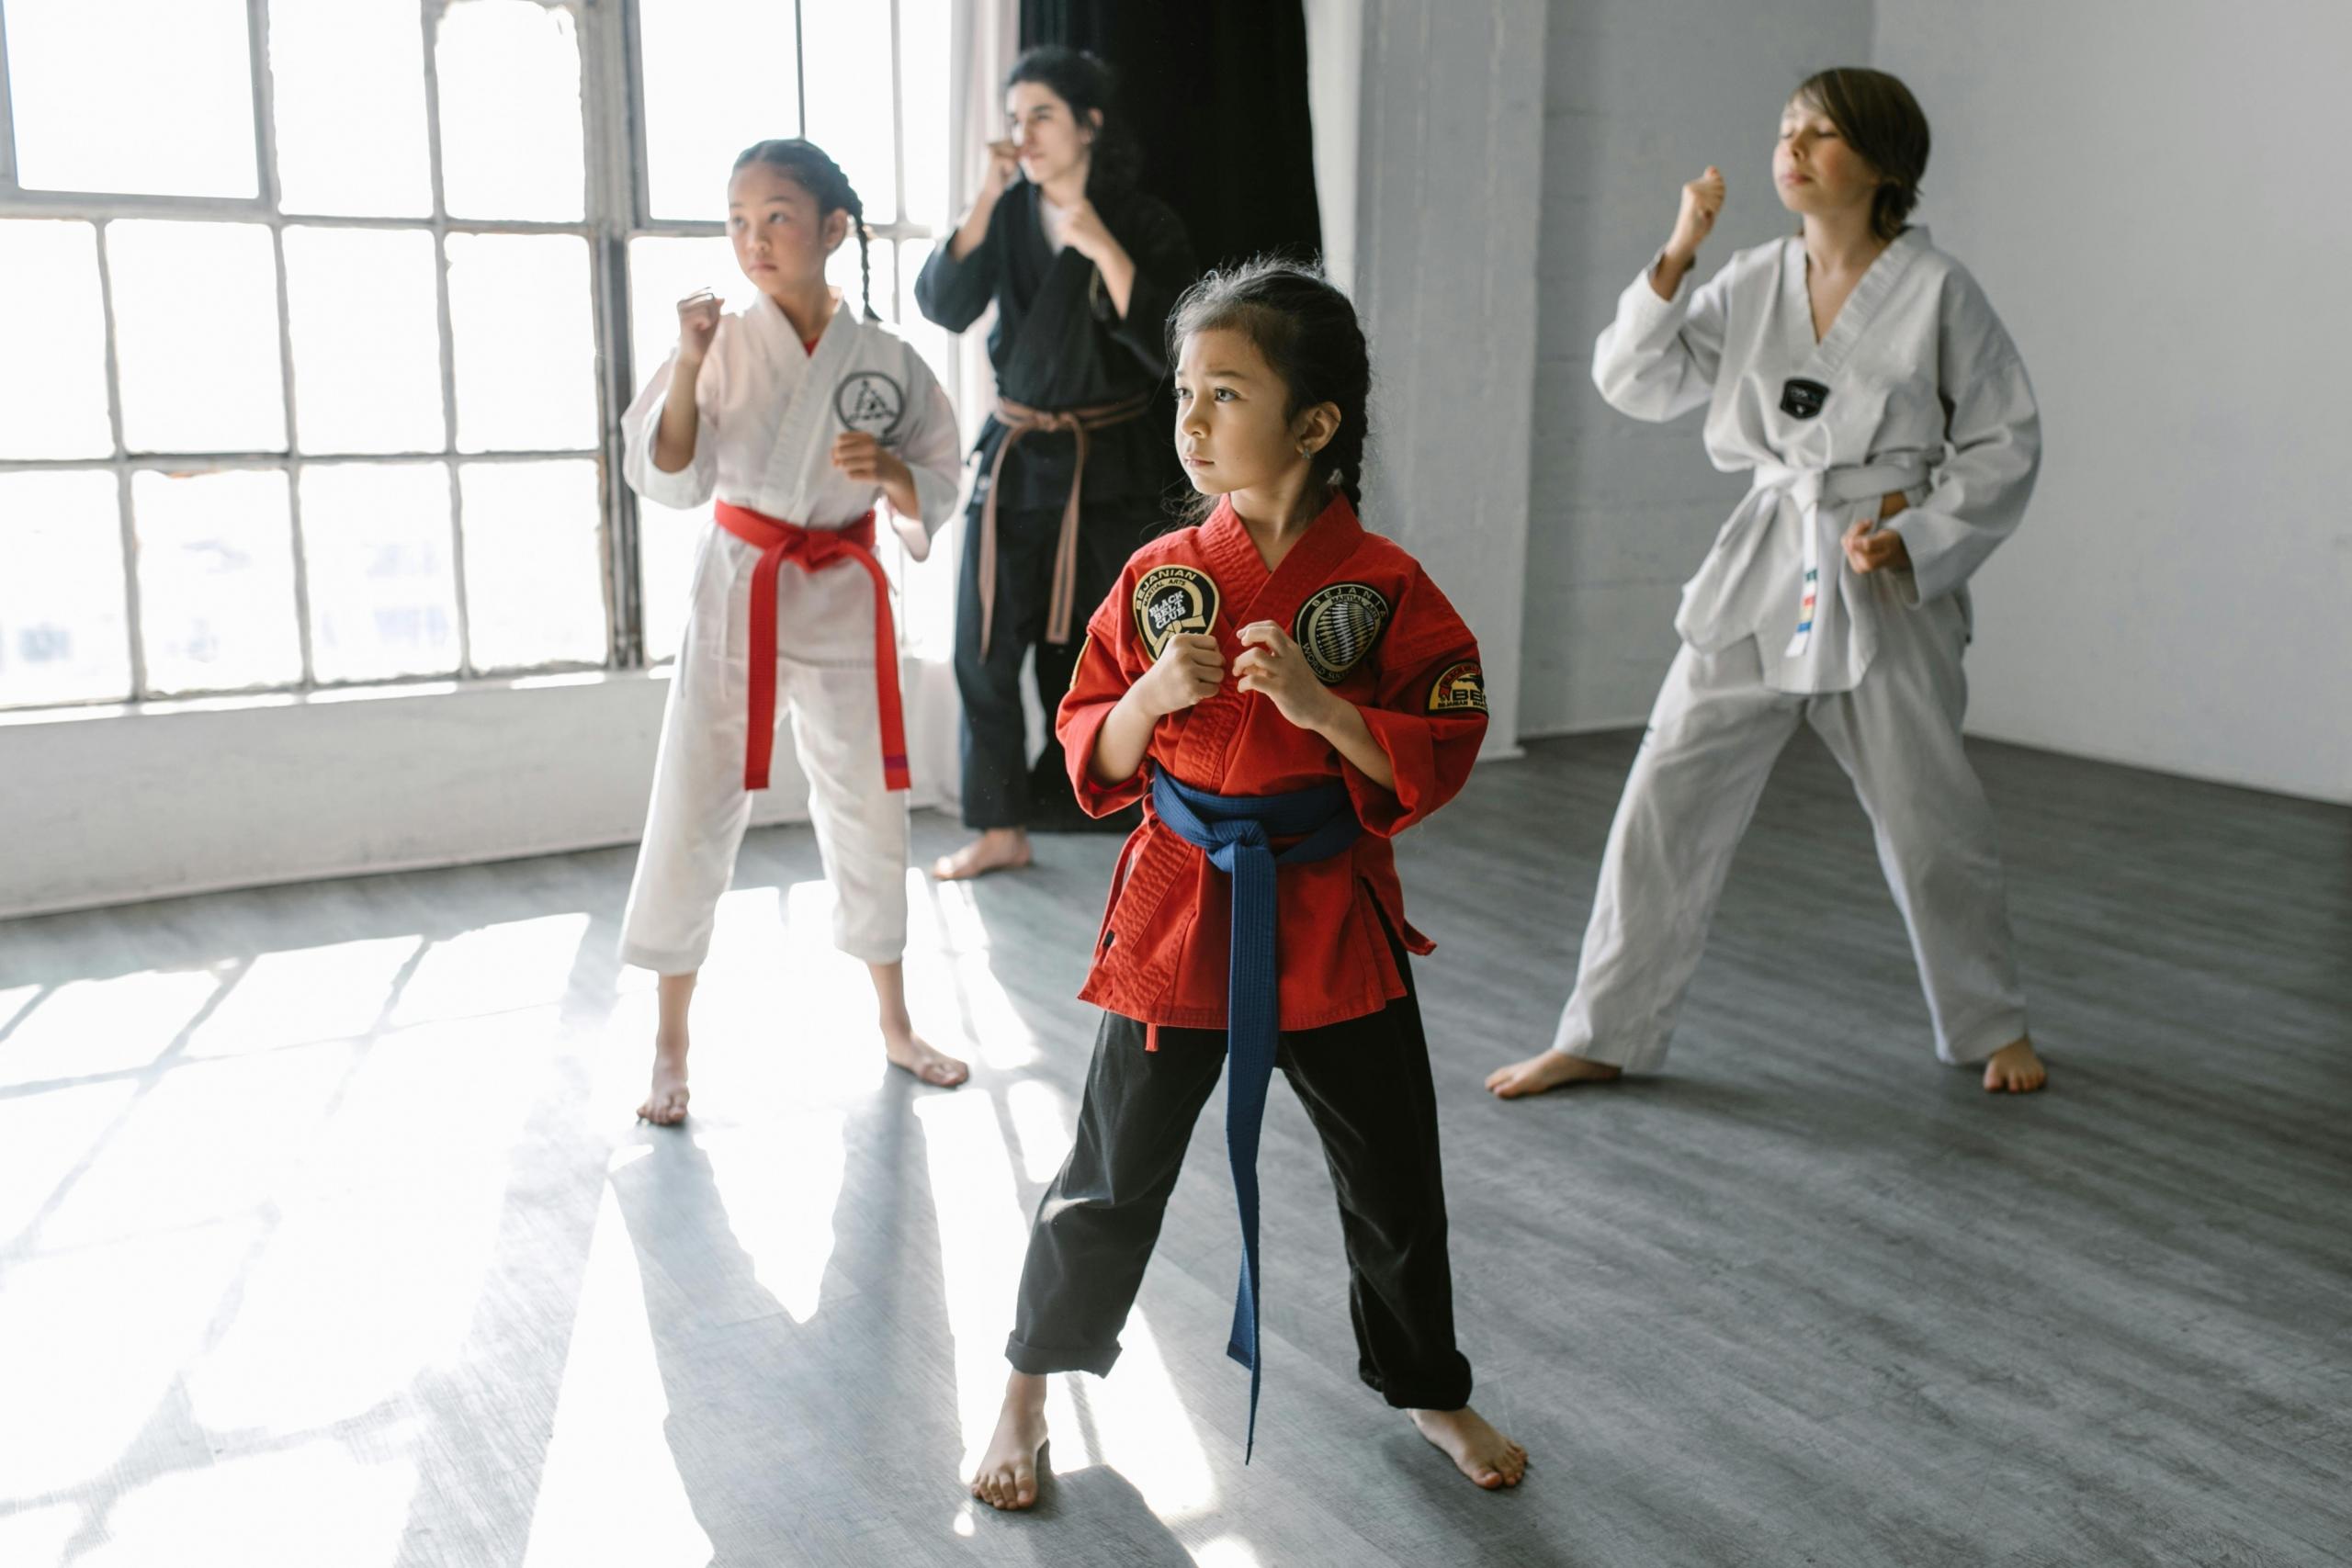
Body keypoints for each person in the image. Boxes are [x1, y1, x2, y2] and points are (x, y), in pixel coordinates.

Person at [967, 262, 1527, 1511]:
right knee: (1113, 1169)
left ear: (1316, 421)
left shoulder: (1382, 583)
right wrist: (1155, 698)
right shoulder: (1165, 570)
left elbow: (1441, 735)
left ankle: (1427, 1380)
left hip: (1329, 901)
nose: (1195, 419)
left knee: (1394, 1176)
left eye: (1228, 391)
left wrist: (1326, 708)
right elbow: (1086, 744)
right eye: (1185, 393)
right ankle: (1027, 1379)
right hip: (1184, 903)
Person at [1487, 68, 2049, 1100]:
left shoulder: (1936, 293)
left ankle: (1988, 1023)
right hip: (1765, 563)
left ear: (1883, 167)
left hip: (1876, 574)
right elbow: (1634, 380)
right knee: (1666, 791)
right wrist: (1675, 253)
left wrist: (1916, 535)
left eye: (1821, 134)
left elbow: (2004, 440)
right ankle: (1604, 1029)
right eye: (1786, 129)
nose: (1791, 149)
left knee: (1928, 818)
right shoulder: (1747, 277)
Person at [619, 139, 971, 1124]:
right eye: (736, 220)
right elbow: (672, 470)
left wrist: (892, 475)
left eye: (775, 217)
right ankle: (669, 1045)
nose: (752, 240)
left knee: (868, 803)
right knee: (695, 796)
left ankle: (896, 1024)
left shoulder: (889, 362)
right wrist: (688, 365)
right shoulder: (722, 341)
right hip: (742, 579)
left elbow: (938, 475)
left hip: (844, 587)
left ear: (832, 230)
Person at [916, 46, 1199, 880]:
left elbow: (1174, 347)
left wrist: (1102, 245)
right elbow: (945, 303)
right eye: (1015, 120)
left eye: (1041, 115)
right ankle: (1000, 825)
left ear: (1089, 124)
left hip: (1109, 466)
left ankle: (1144, 812)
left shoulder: (1144, 221)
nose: (1024, 134)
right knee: (983, 645)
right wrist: (986, 197)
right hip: (1014, 462)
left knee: (1113, 651)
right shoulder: (1006, 216)